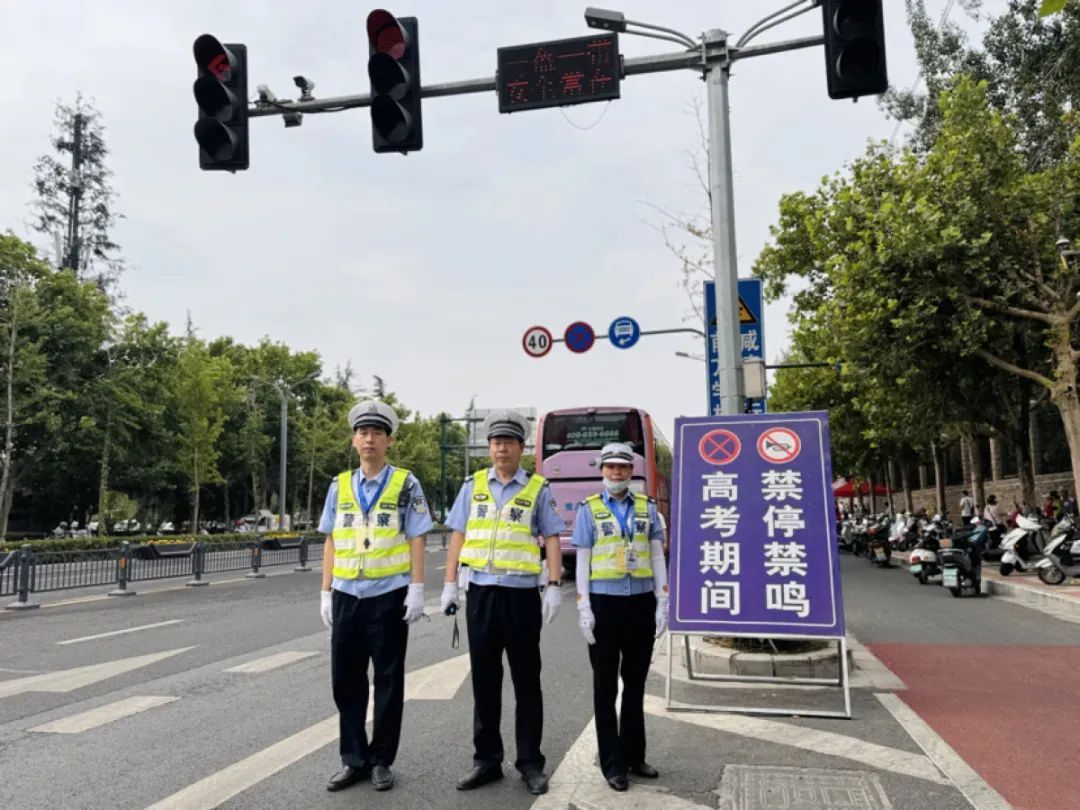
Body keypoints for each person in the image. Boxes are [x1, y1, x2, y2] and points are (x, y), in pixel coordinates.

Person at [441, 410, 564, 796]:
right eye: (495, 442)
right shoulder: (472, 486)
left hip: (521, 596)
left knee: (527, 682)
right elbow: (458, 535)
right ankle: (486, 760)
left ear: (520, 448)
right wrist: (448, 584)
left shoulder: (537, 489)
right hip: (481, 595)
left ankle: (530, 763)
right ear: (489, 447)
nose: (501, 449)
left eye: (508, 442)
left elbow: (553, 537)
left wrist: (555, 583)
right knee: (485, 680)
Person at [318, 400, 432, 793]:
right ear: (354, 440)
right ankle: (353, 759)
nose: (370, 439)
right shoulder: (340, 485)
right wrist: (325, 590)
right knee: (345, 681)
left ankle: (382, 759)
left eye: (377, 433)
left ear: (389, 440)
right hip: (347, 594)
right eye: (363, 433)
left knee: (387, 679)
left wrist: (417, 588)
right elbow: (331, 539)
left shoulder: (406, 484)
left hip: (389, 595)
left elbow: (417, 536)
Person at [572, 443, 668, 792]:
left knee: (636, 683)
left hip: (640, 603)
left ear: (632, 471)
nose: (616, 473)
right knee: (605, 685)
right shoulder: (589, 510)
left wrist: (663, 600)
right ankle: (612, 763)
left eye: (623, 468)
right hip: (604, 605)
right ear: (602, 471)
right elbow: (582, 561)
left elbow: (657, 558)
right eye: (610, 467)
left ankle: (634, 755)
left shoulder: (648, 509)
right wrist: (583, 606)